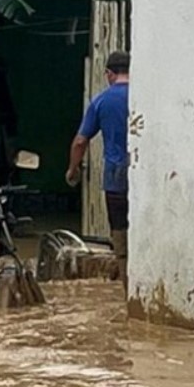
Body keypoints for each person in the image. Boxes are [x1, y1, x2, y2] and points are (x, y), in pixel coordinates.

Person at [66, 50, 130, 286]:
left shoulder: (102, 101)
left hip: (116, 176)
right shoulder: (144, 97)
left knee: (120, 231)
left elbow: (81, 141)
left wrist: (73, 170)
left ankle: (126, 287)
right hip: (143, 175)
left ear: (109, 74)